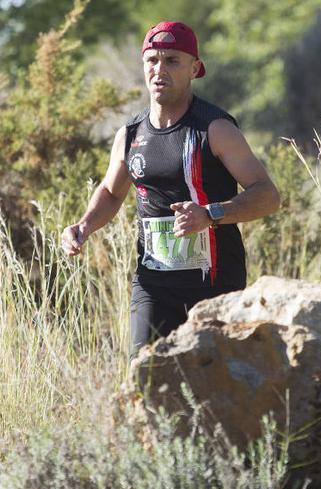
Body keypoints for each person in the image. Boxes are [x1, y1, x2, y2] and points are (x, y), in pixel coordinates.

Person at [61, 21, 280, 357]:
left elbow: (267, 195)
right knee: (146, 377)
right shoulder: (131, 134)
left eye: (172, 61)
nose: (159, 70)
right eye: (152, 60)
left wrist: (211, 214)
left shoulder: (214, 128)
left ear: (194, 68)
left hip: (215, 284)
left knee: (209, 389)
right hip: (153, 284)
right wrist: (83, 226)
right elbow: (110, 192)